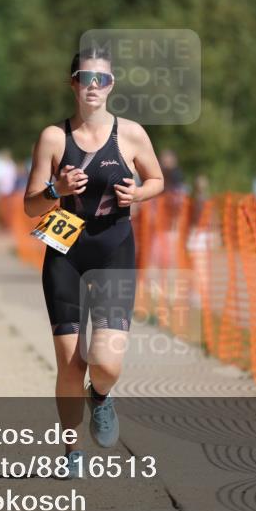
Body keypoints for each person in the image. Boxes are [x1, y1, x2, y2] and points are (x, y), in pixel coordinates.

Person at [23, 46, 164, 479]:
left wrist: (138, 194)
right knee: (70, 365)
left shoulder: (132, 135)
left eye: (101, 79)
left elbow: (157, 179)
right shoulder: (52, 137)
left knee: (105, 363)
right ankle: (71, 452)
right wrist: (54, 188)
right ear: (73, 83)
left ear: (112, 86)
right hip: (65, 250)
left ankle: (101, 397)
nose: (93, 87)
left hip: (114, 248)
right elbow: (30, 206)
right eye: (86, 78)